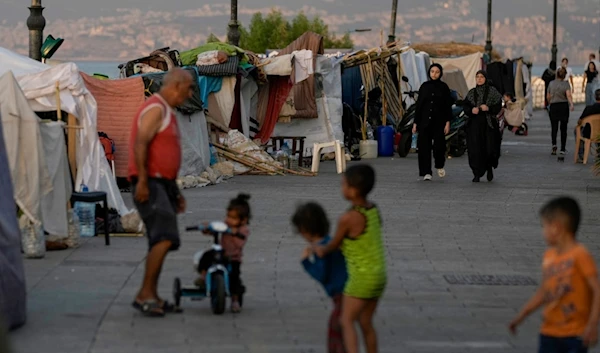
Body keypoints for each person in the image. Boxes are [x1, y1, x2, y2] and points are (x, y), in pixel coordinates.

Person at [129, 68, 194, 317]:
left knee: (160, 238)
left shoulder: (168, 111)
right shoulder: (156, 108)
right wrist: (143, 181)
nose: (189, 95)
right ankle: (145, 294)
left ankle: (151, 294)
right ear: (176, 85)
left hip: (161, 184)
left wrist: (174, 192)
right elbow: (141, 143)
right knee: (164, 237)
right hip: (150, 183)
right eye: (188, 89)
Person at [508, 196, 600, 353]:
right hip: (548, 332)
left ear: (556, 227)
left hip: (575, 335)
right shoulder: (549, 256)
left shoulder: (580, 255)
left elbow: (597, 290)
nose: (543, 231)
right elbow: (544, 292)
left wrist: (592, 324)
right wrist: (522, 315)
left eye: (544, 226)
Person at [314, 164, 386, 353]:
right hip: (379, 275)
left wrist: (320, 249)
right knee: (365, 322)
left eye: (343, 184)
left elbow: (333, 245)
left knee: (346, 320)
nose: (342, 188)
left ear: (353, 190)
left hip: (361, 278)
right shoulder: (373, 210)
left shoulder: (348, 218)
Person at [292, 202, 348, 353]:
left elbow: (322, 275)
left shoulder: (320, 249)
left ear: (304, 230)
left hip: (341, 294)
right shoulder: (329, 241)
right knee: (343, 329)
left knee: (335, 329)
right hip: (349, 291)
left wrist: (306, 262)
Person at [195, 193, 251, 313]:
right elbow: (214, 230)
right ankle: (203, 276)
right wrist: (207, 228)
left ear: (243, 220)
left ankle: (235, 300)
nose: (229, 220)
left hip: (233, 258)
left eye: (233, 218)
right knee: (206, 256)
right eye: (228, 216)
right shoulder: (225, 225)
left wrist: (234, 233)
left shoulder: (243, 230)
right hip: (220, 252)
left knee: (234, 278)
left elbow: (239, 243)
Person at [411, 63, 453, 181]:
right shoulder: (424, 86)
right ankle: (426, 172)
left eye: (437, 72)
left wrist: (447, 122)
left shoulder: (444, 87)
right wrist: (415, 123)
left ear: (440, 73)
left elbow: (447, 106)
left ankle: (439, 165)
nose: (434, 74)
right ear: (429, 72)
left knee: (439, 146)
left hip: (439, 122)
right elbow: (419, 106)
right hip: (424, 122)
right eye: (432, 71)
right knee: (424, 147)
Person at [462, 70, 503, 182]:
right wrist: (471, 110)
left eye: (481, 77)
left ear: (486, 78)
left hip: (489, 125)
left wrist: (488, 108)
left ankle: (489, 167)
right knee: (475, 150)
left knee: (490, 149)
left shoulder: (493, 92)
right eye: (477, 77)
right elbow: (465, 106)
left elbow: (498, 106)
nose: (479, 79)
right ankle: (476, 173)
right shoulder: (471, 93)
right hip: (474, 125)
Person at [547, 67, 575, 157]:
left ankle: (554, 144)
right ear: (564, 75)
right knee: (563, 128)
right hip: (563, 106)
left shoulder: (551, 83)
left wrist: (549, 103)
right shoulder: (566, 84)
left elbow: (548, 96)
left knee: (554, 127)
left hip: (554, 106)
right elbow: (569, 95)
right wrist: (571, 104)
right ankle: (562, 148)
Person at [575, 89, 600, 162]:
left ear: (595, 97)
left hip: (589, 134)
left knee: (577, 130)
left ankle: (581, 154)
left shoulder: (589, 108)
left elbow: (579, 122)